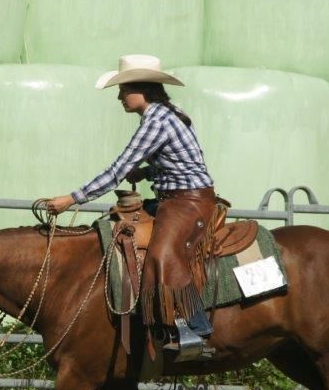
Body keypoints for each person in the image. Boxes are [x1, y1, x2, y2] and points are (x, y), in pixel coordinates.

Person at [44, 54, 217, 359]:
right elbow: (184, 161)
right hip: (176, 197)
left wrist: (72, 198)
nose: (120, 96)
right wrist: (148, 172)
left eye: (124, 89)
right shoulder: (168, 112)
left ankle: (198, 332)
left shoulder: (155, 121)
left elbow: (117, 171)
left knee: (162, 253)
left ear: (143, 89)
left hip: (188, 202)